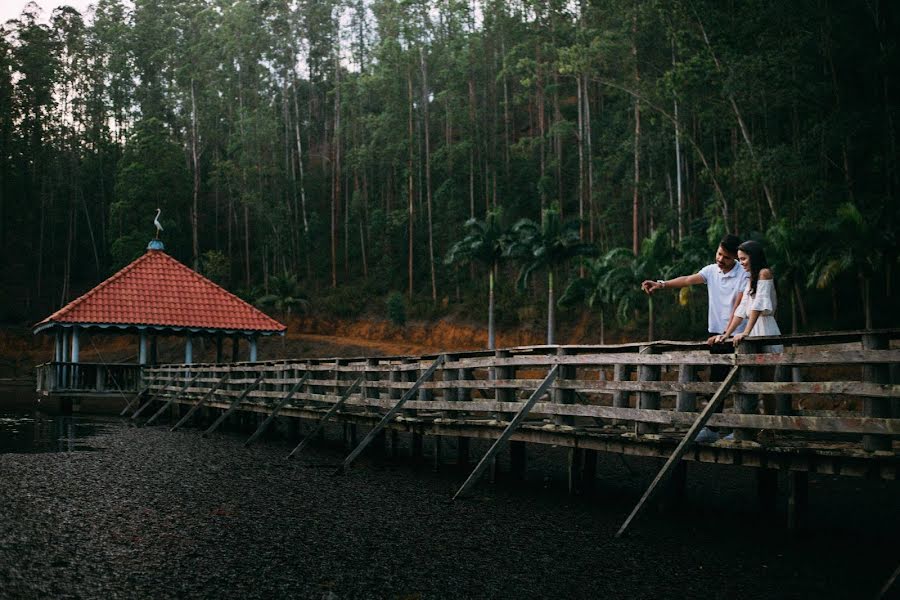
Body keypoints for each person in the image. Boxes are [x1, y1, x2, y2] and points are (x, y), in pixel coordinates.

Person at [641, 234, 749, 443]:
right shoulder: (711, 271)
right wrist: (661, 284)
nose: (720, 259)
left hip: (738, 335)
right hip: (715, 336)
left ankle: (741, 429)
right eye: (719, 254)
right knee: (716, 382)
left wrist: (726, 334)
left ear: (735, 257)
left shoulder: (743, 274)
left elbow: (739, 304)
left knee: (743, 383)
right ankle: (712, 428)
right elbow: (688, 280)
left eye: (726, 257)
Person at [714, 240, 782, 444]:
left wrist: (747, 331)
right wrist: (726, 334)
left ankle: (769, 428)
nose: (740, 262)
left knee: (766, 384)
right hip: (751, 331)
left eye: (743, 258)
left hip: (765, 329)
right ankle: (749, 427)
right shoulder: (750, 279)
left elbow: (759, 305)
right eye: (739, 259)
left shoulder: (764, 274)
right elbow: (741, 310)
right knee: (749, 381)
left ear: (753, 256)